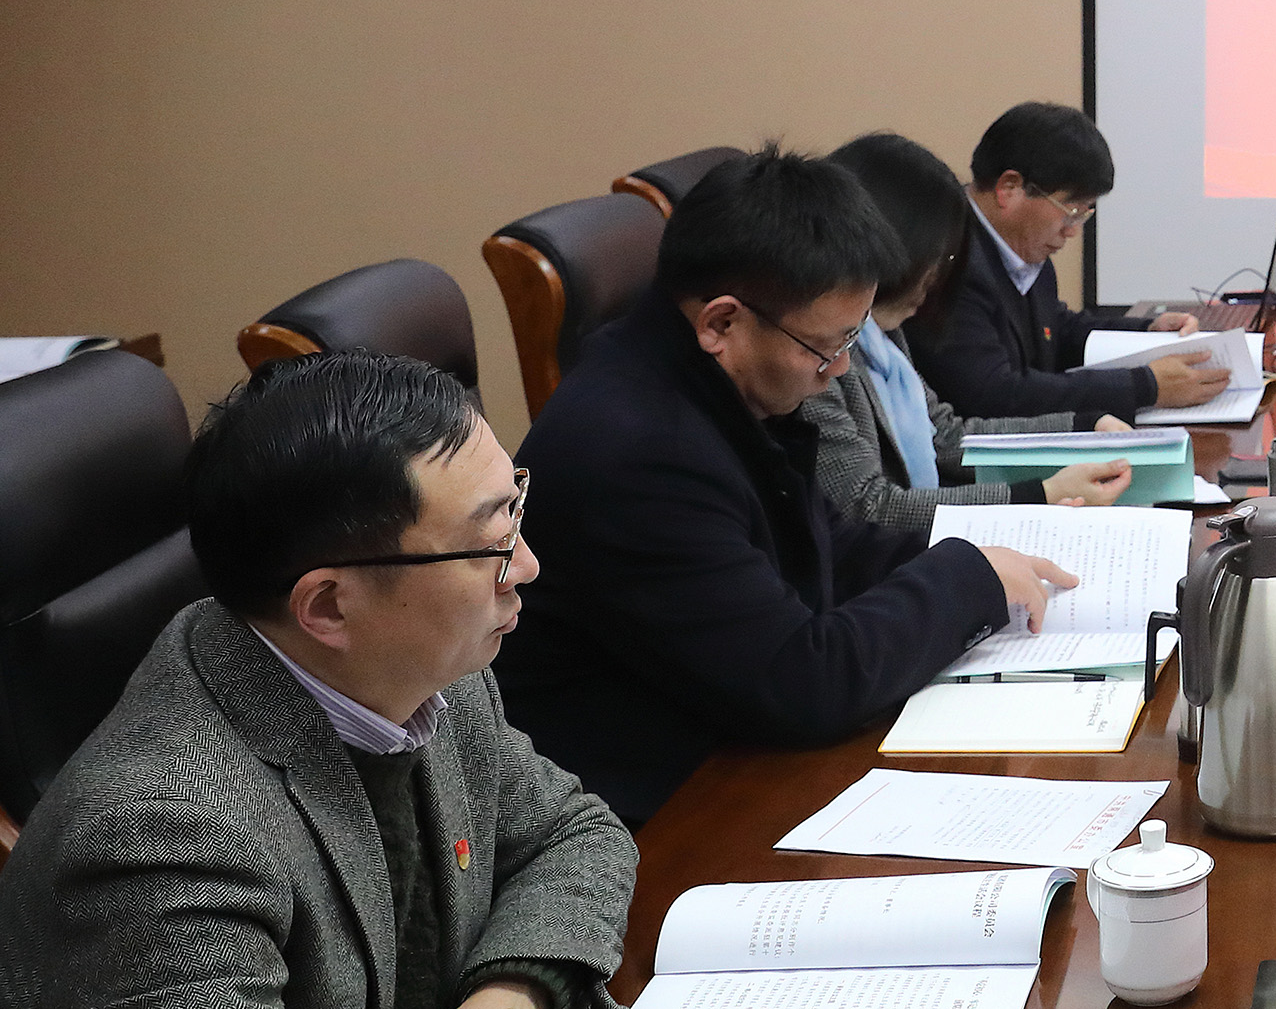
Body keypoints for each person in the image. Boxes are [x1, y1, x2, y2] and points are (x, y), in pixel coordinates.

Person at [0, 352, 931, 1009]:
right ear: (329, 604)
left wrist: (513, 987)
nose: (527, 565)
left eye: (515, 510)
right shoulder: (158, 830)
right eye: (492, 541)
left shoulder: (415, 665)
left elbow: (574, 830)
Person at [501, 145, 1080, 825]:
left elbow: (829, 545)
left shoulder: (716, 382)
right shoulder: (638, 452)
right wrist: (967, 579)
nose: (839, 371)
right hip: (650, 816)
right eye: (827, 347)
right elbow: (802, 682)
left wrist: (984, 554)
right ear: (722, 323)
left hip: (728, 751)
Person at [810, 130, 1135, 539]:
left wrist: (1082, 427)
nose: (939, 274)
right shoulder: (821, 352)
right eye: (938, 254)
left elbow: (947, 436)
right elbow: (868, 506)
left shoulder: (883, 336)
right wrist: (1038, 495)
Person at [911, 101, 1230, 422]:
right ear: (1010, 188)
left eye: (1083, 214)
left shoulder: (1021, 247)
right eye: (1071, 210)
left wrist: (1148, 331)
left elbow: (1056, 332)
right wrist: (1145, 386)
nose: (1073, 230)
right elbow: (996, 394)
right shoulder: (947, 260)